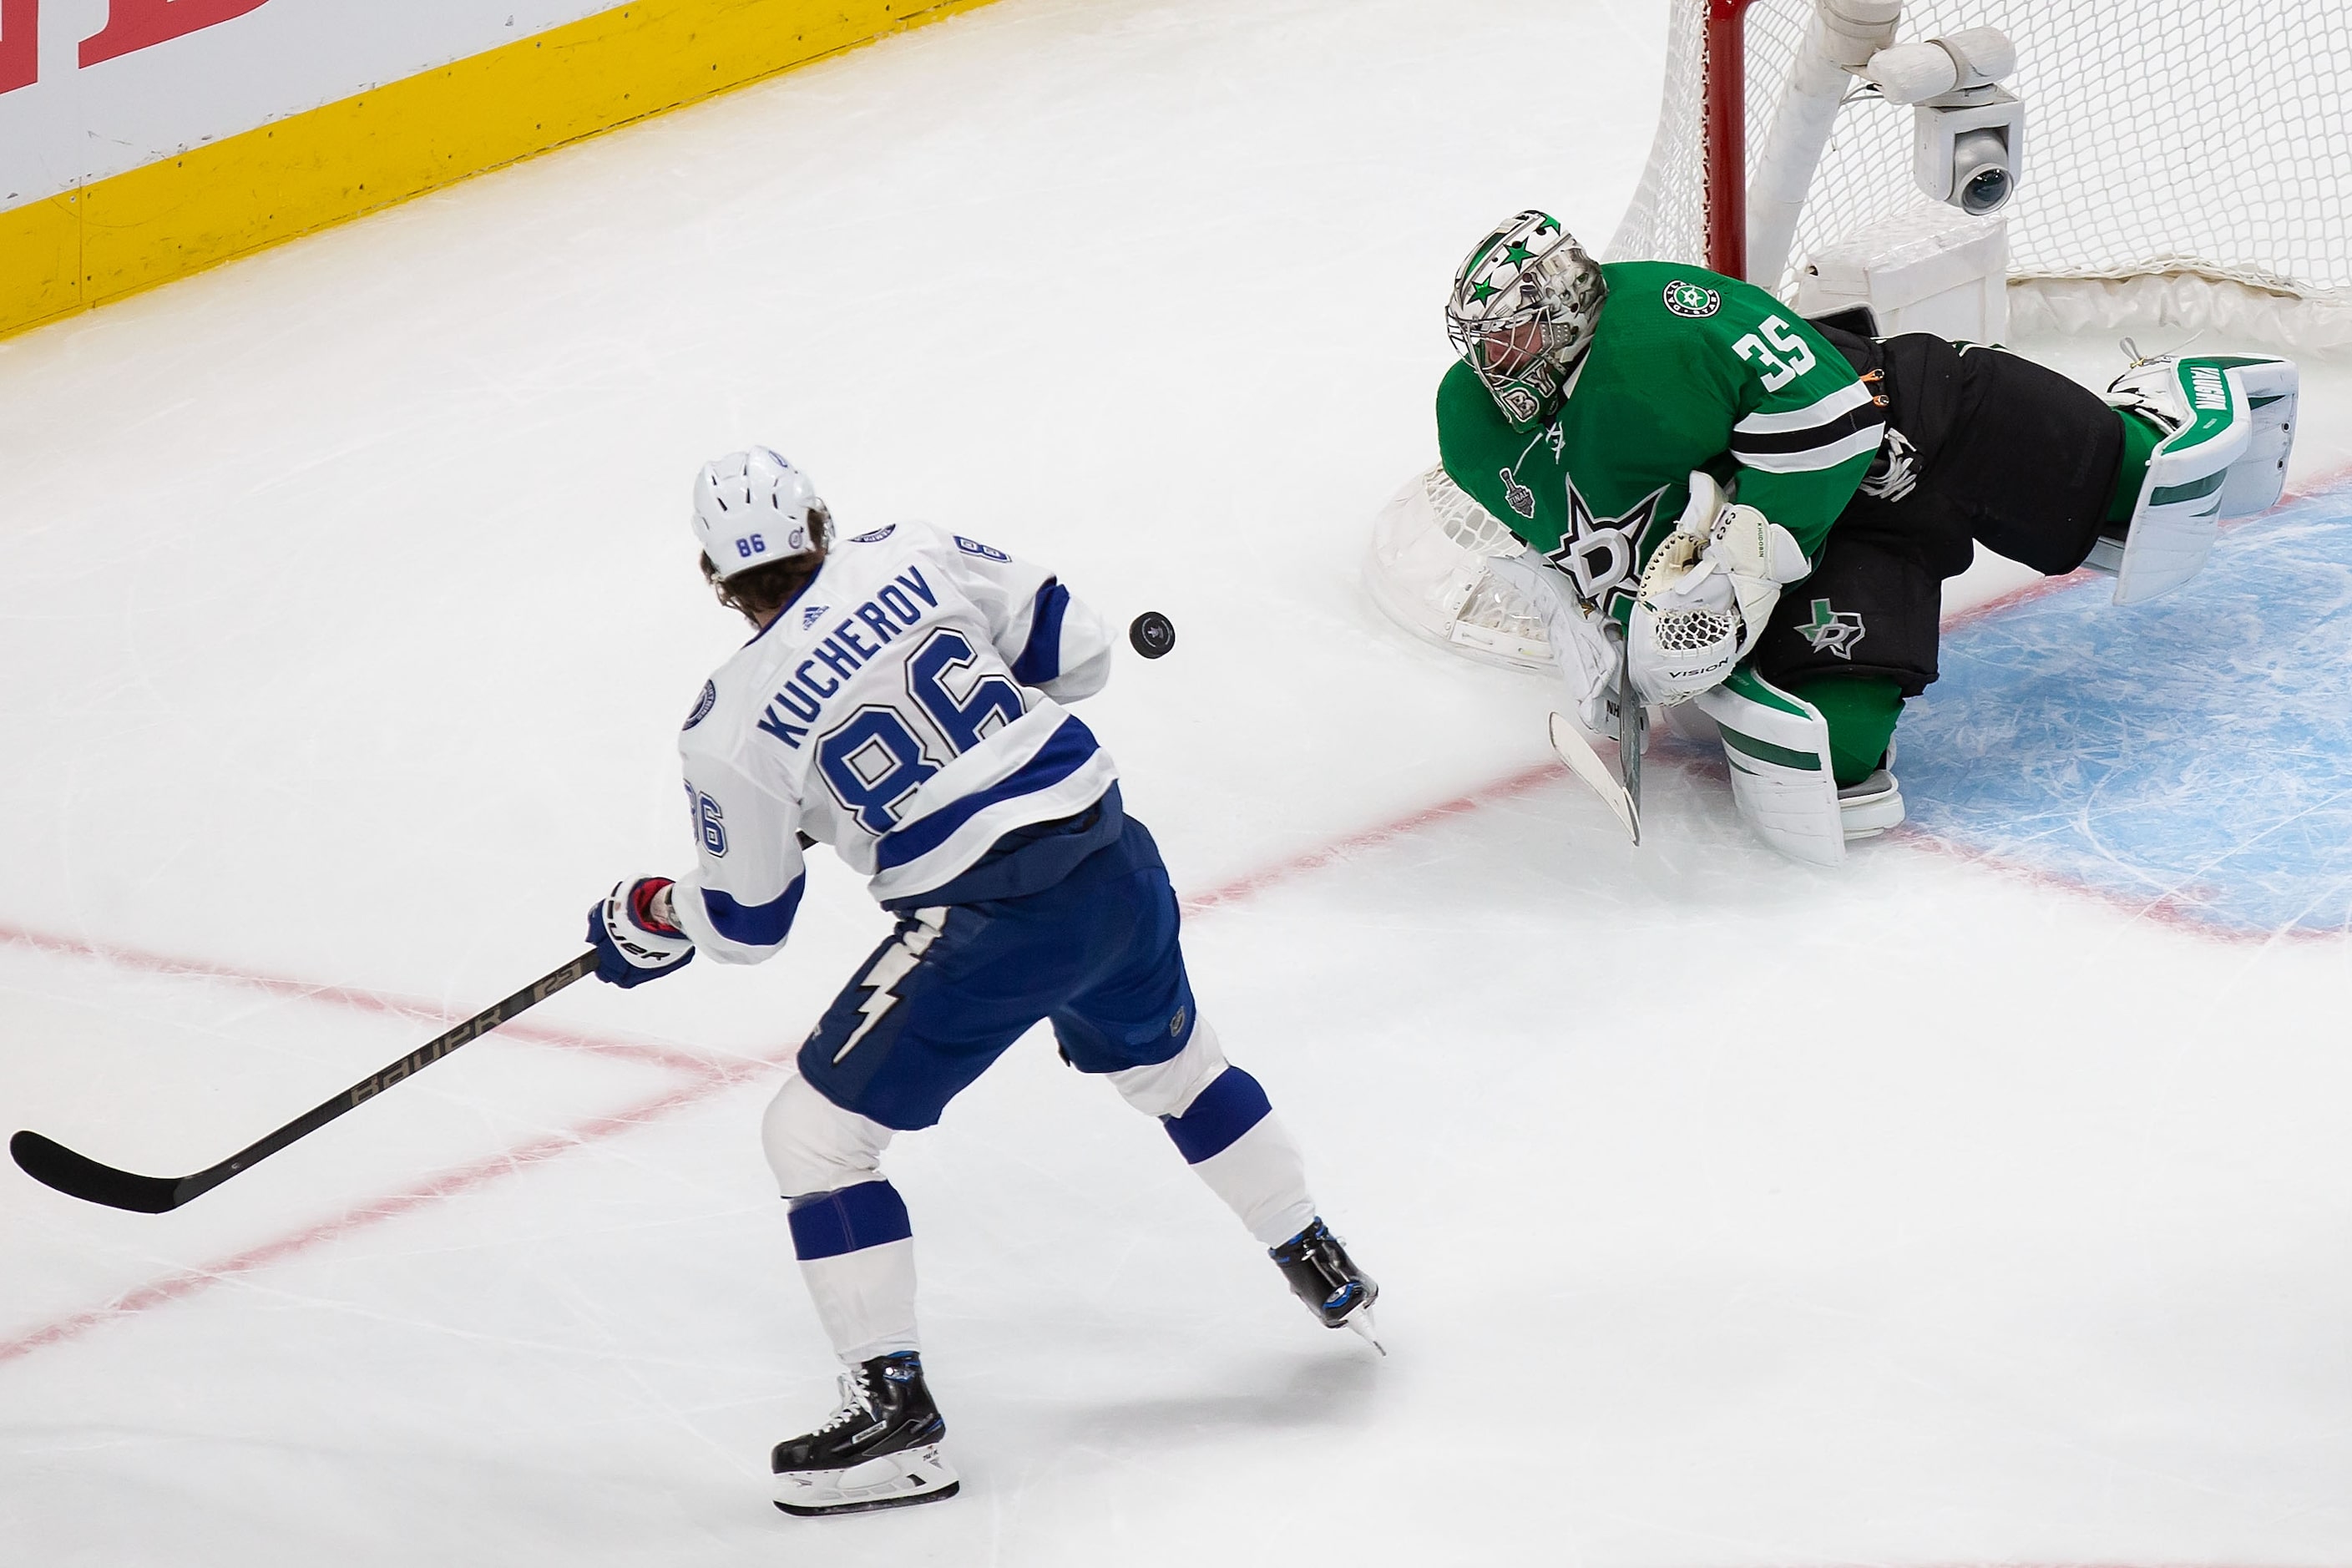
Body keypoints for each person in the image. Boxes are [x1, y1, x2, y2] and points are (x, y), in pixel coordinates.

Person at [584, 448, 1378, 1518]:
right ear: (822, 522)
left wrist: (652, 916)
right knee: (1179, 1068)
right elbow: (1081, 654)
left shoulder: (727, 724)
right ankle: (1314, 1255)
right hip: (1113, 859)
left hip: (991, 921)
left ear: (714, 577)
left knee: (812, 1141)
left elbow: (748, 920)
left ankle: (898, 1424)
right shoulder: (909, 551)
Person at [1435, 210, 2299, 864]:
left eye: (1512, 333)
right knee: (1836, 763)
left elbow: (1830, 415)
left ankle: (2155, 413)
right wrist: (1613, 638)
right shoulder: (1473, 427)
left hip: (1918, 425)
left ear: (1566, 309)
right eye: (1485, 341)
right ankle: (1783, 680)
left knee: (2150, 485)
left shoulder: (1666, 316)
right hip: (1840, 541)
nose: (1495, 360)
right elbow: (1590, 553)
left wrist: (1737, 574)